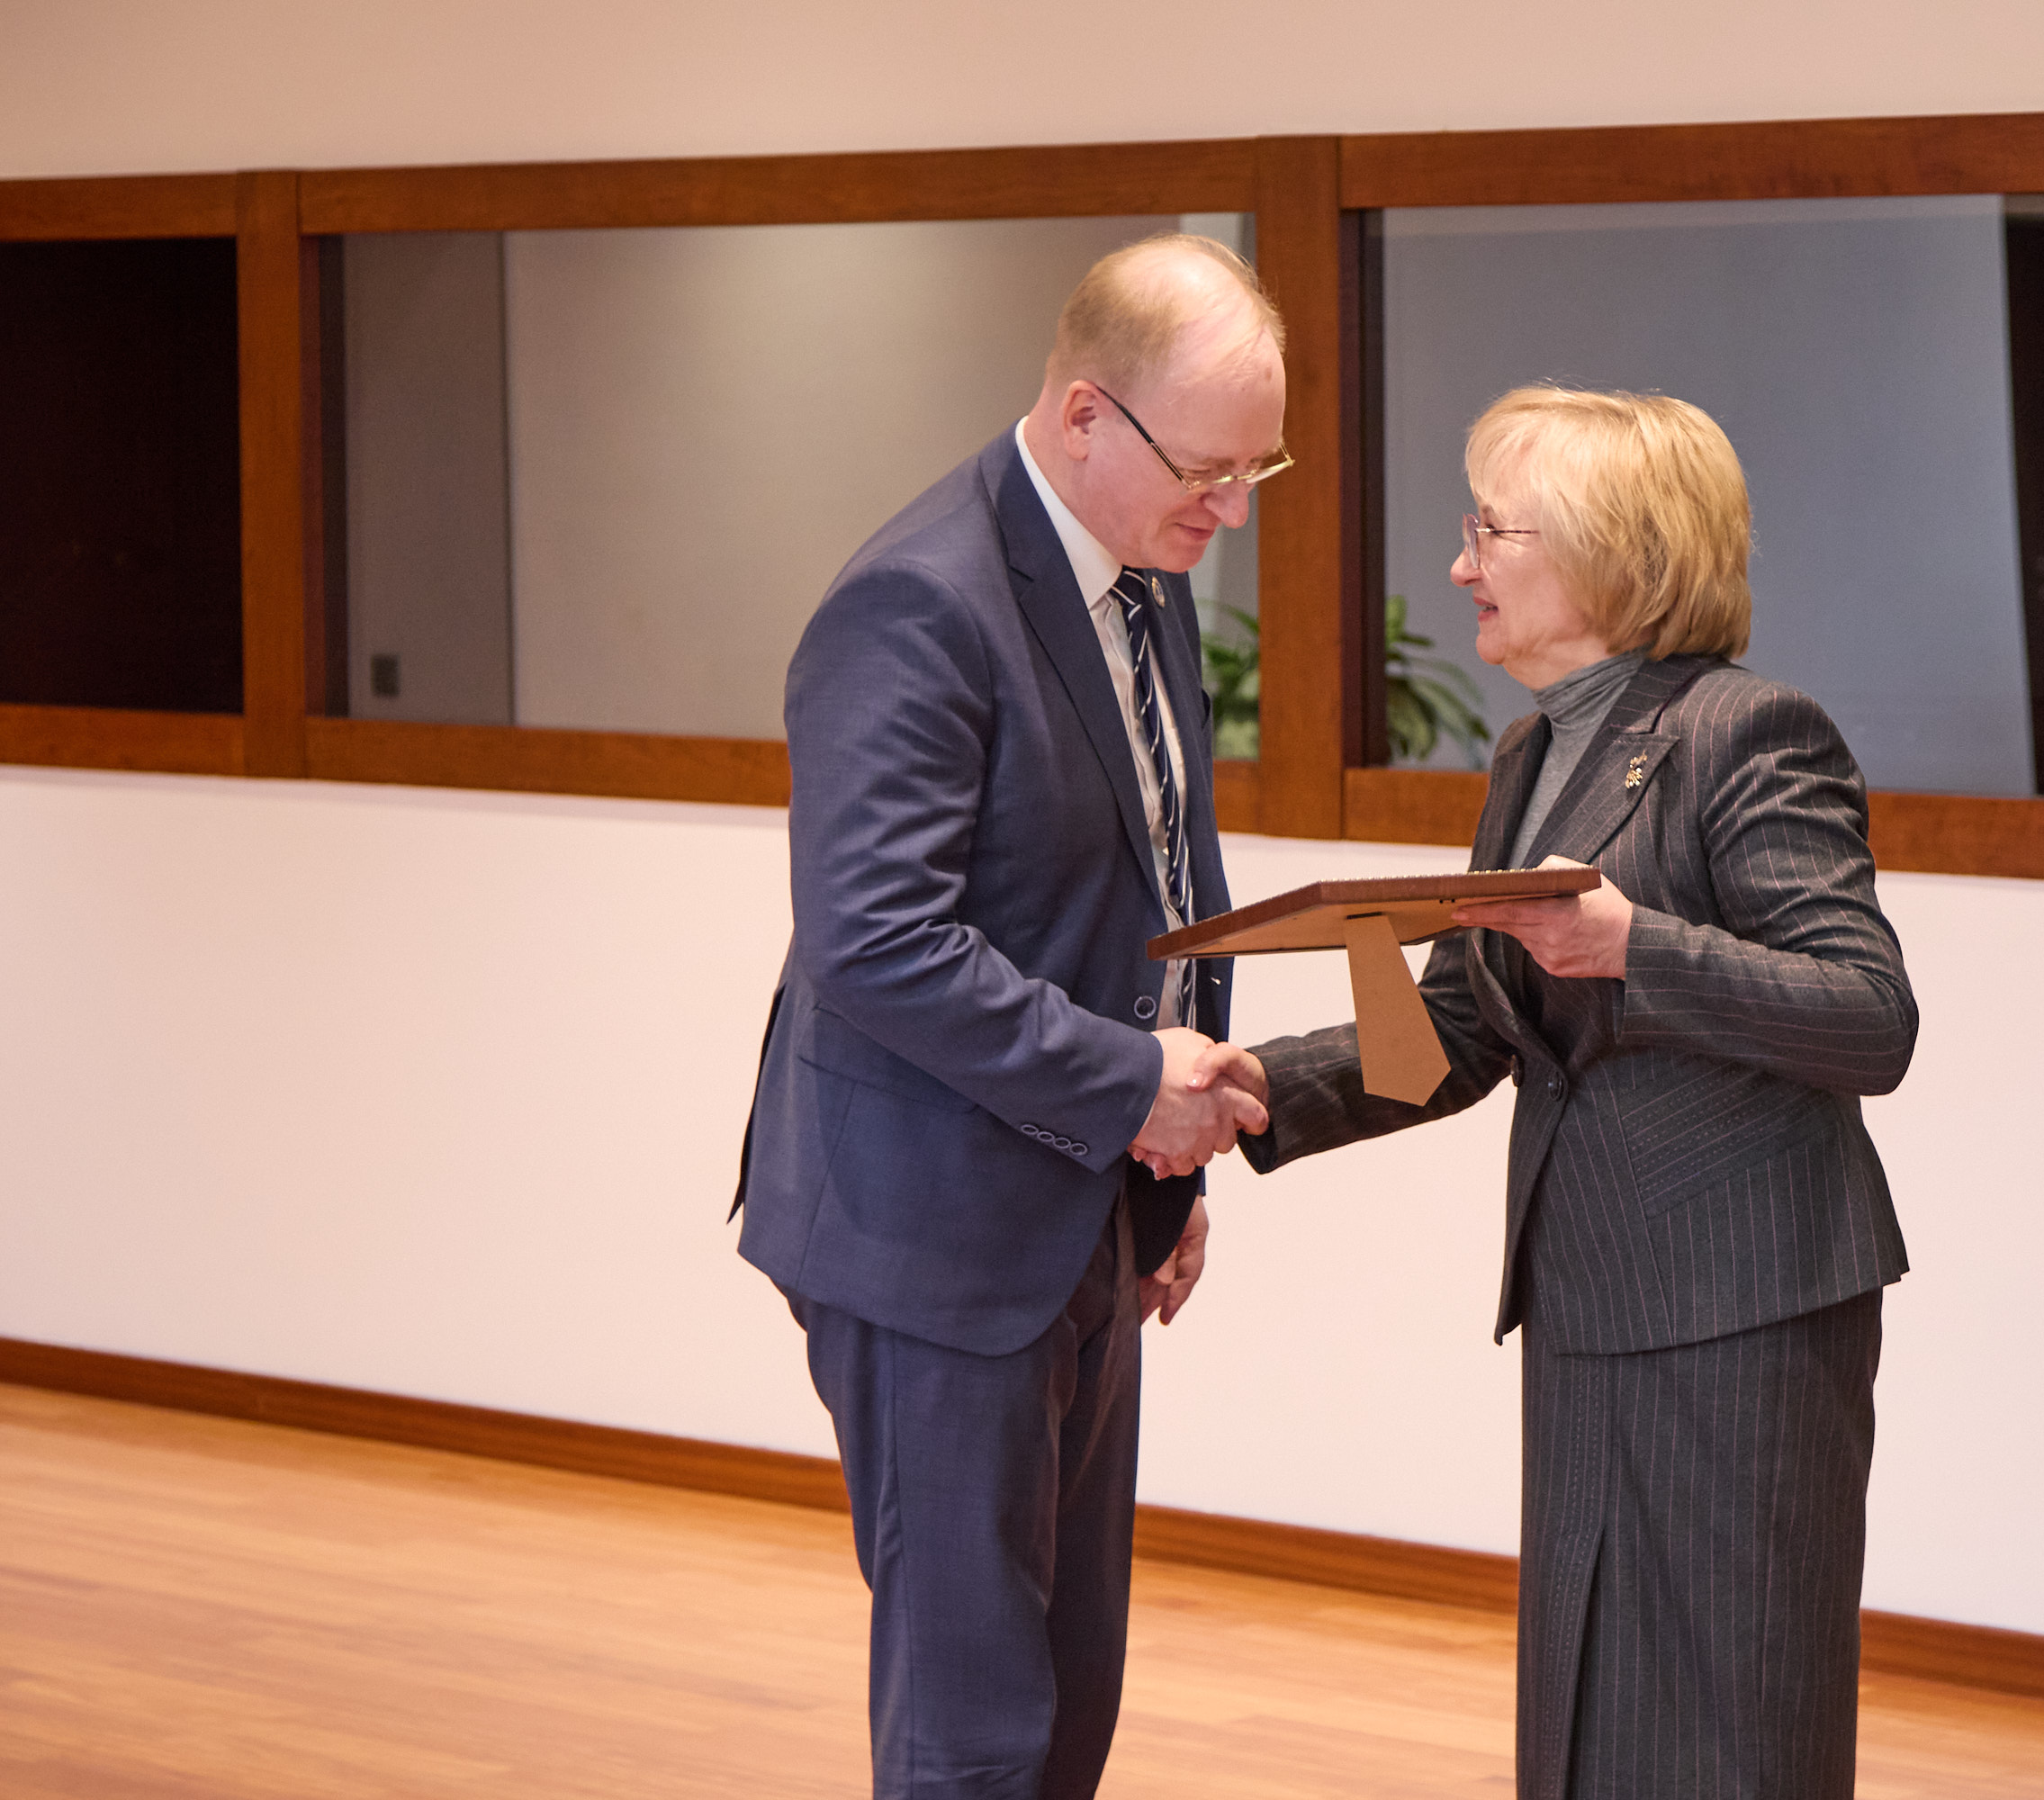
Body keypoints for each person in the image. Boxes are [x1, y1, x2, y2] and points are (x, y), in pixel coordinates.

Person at [1199, 388, 1918, 1799]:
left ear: (1608, 549)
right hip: (1592, 1293)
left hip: (1741, 1309)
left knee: (1729, 1720)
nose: (1459, 564)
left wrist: (1635, 944)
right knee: (1589, 1709)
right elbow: (1462, 1030)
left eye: (1490, 531)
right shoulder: (1534, 753)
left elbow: (1867, 1015)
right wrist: (1256, 1087)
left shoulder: (1749, 732)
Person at [730, 233, 1283, 1799]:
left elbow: (1153, 872)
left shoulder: (1142, 575)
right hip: (935, 1238)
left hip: (1081, 1203)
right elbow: (875, 941)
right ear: (1087, 413)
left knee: (1068, 1697)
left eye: (1259, 469)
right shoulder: (918, 599)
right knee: (972, 1729)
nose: (1233, 508)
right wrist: (1128, 1087)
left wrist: (1160, 1169)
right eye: (1209, 468)